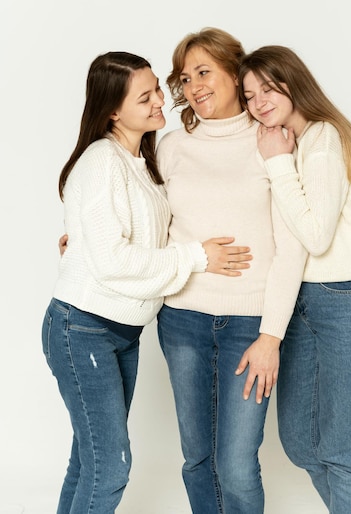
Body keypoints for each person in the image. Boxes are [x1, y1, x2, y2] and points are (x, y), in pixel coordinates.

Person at [43, 51, 252, 514]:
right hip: (84, 329)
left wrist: (80, 241)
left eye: (158, 87)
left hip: (121, 331)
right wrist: (199, 257)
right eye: (146, 97)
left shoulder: (144, 159)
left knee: (89, 460)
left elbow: (142, 233)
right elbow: (114, 260)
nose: (161, 100)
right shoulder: (103, 161)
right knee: (111, 467)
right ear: (113, 110)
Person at [156, 28, 307, 514]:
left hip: (250, 325)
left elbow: (293, 248)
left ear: (233, 72)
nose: (195, 86)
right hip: (181, 320)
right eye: (185, 78)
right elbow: (149, 226)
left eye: (205, 72)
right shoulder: (171, 147)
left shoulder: (271, 140)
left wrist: (271, 336)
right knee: (198, 459)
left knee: (237, 463)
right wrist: (85, 241)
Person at [239, 45, 351, 514]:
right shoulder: (298, 141)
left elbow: (316, 236)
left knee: (341, 449)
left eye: (268, 87)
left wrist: (276, 163)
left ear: (293, 81)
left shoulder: (323, 139)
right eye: (249, 95)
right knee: (300, 441)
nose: (259, 101)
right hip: (306, 302)